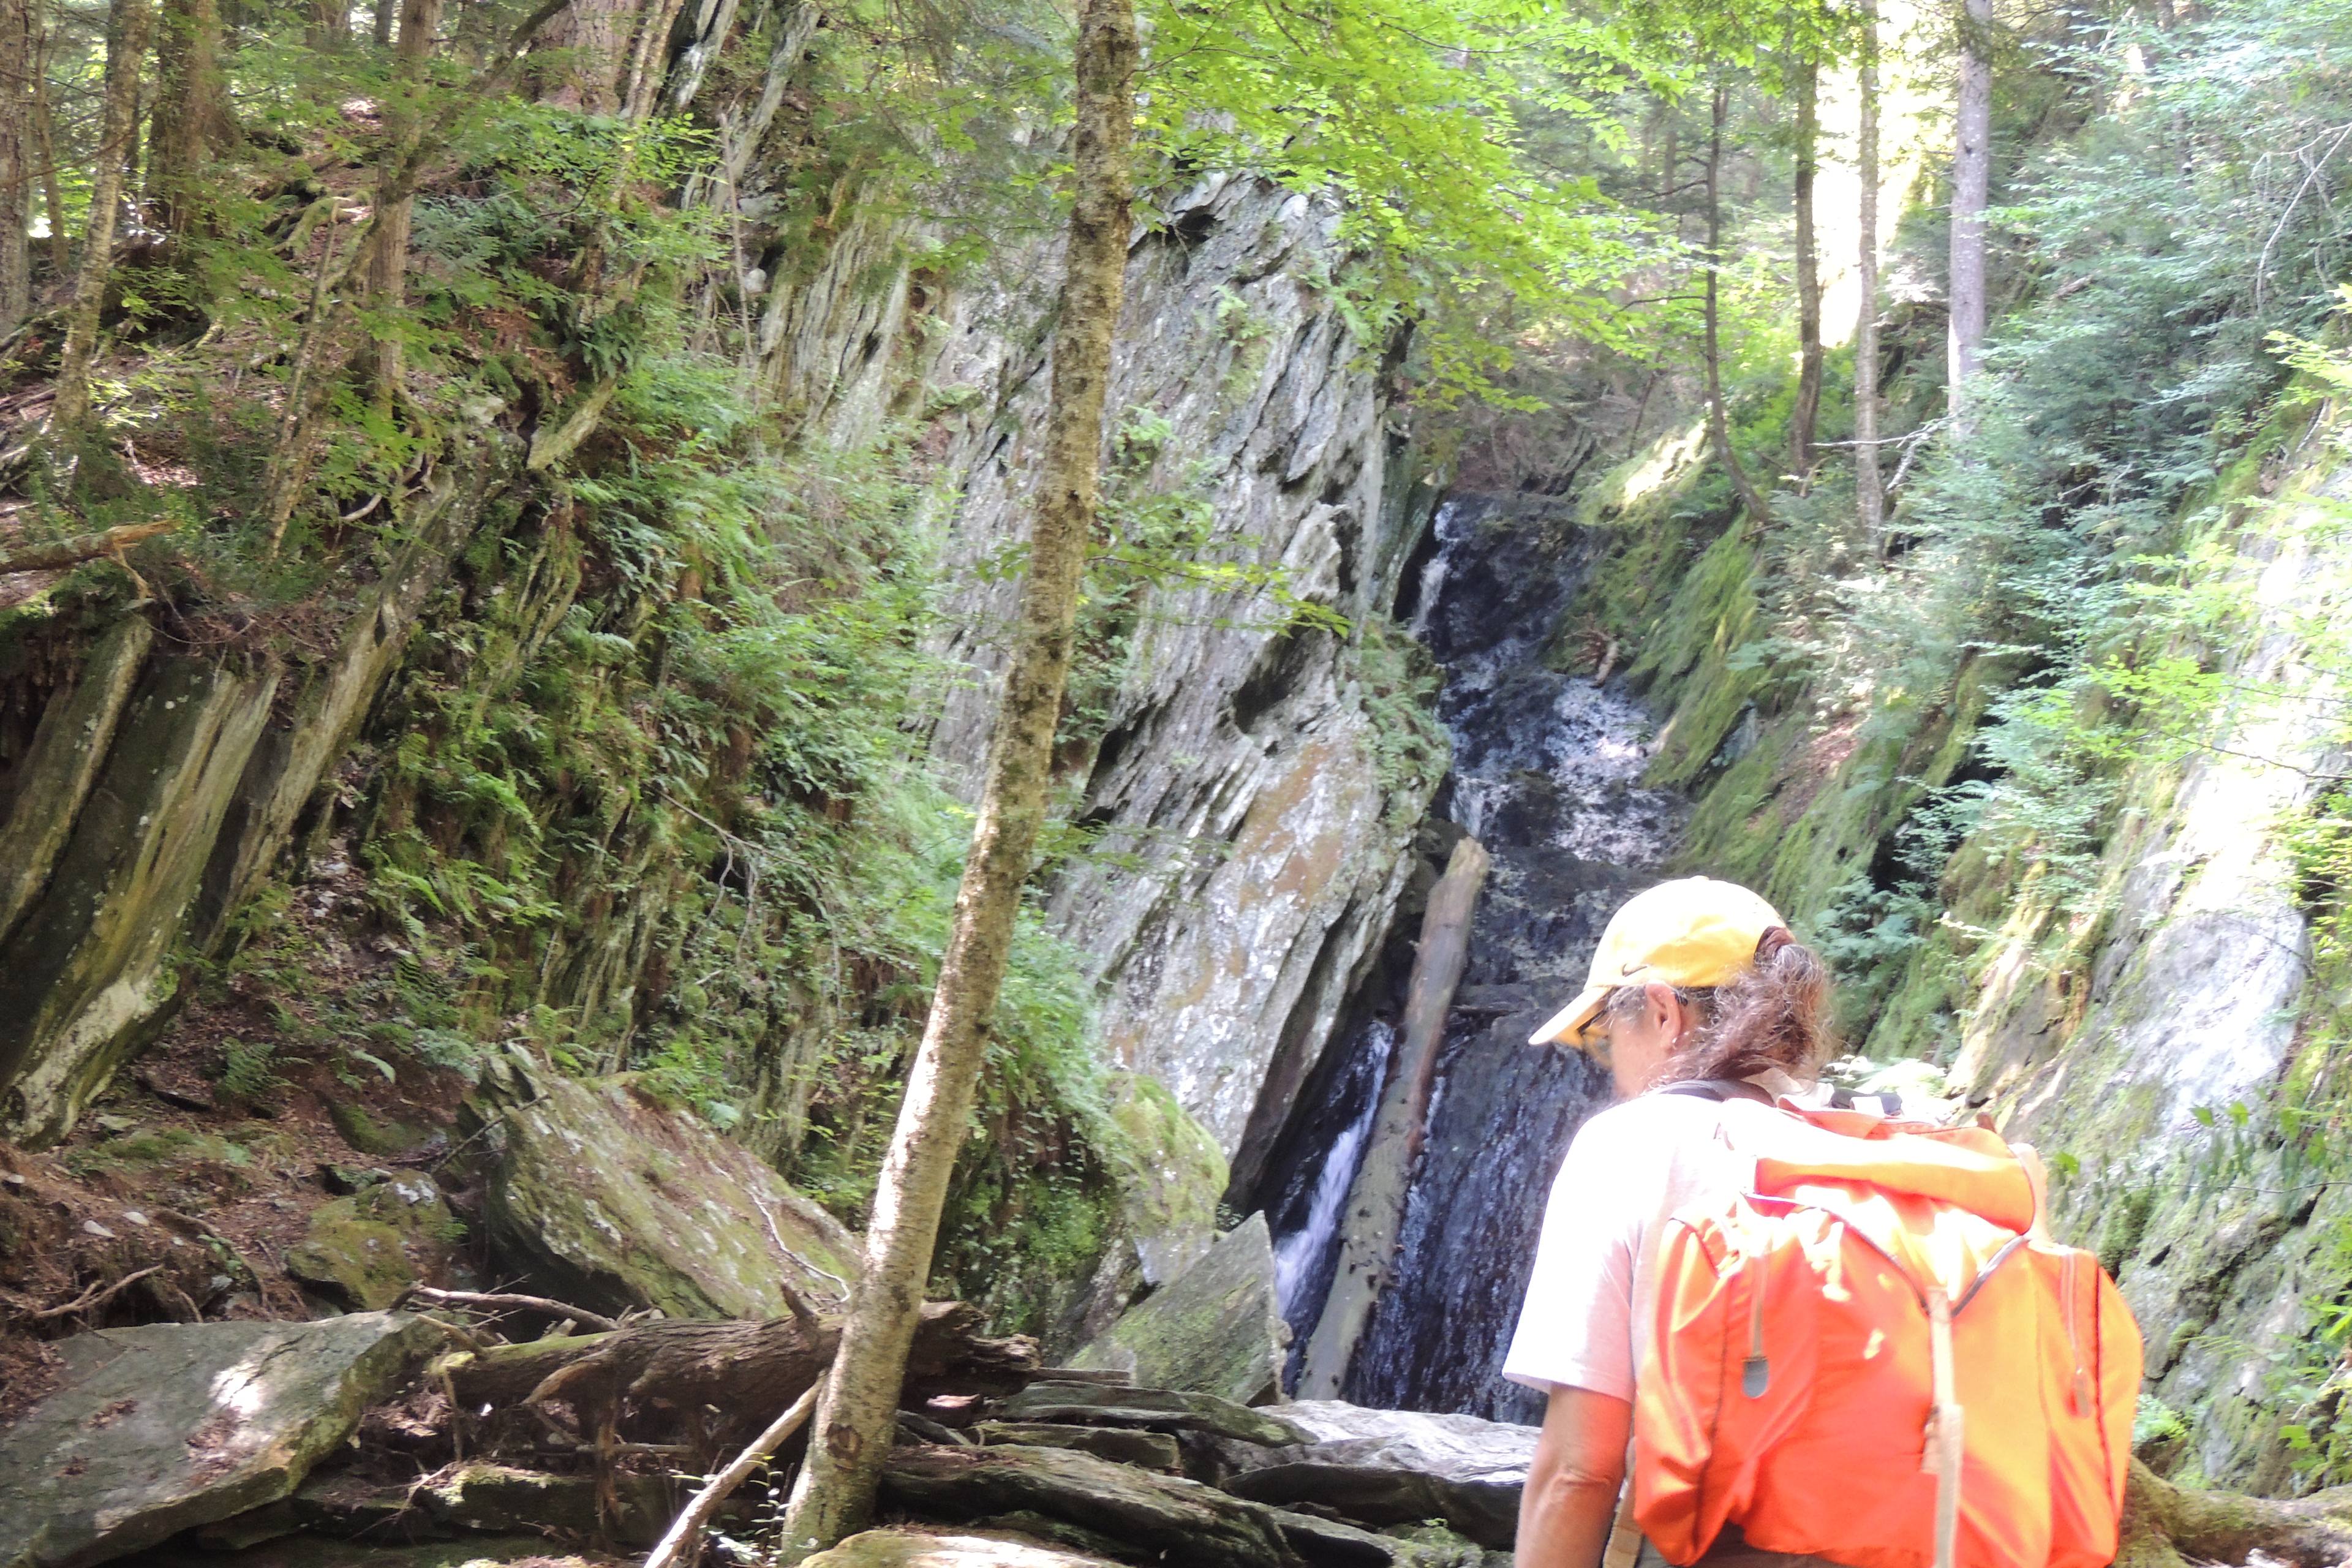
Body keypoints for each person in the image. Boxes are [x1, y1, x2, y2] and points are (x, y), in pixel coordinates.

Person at [1504, 876, 1836, 1568]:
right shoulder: (1860, 1142)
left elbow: (1580, 1468)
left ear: (1662, 1012)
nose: (1609, 1067)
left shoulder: (1632, 1142)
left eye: (1601, 1038)